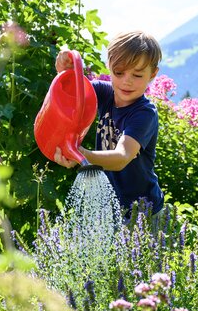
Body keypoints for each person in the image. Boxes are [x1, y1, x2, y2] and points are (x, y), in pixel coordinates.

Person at [53, 31, 165, 221]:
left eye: (137, 75)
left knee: (143, 251)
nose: (126, 81)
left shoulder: (144, 114)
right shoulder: (105, 94)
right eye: (118, 72)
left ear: (153, 74)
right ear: (109, 67)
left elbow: (122, 157)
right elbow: (71, 92)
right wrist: (66, 69)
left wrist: (79, 154)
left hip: (144, 213)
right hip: (111, 207)